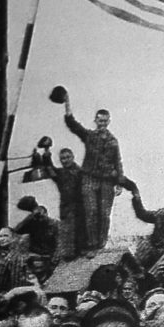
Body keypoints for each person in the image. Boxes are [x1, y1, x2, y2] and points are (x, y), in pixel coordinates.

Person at [62, 91, 125, 255]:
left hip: (107, 181)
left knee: (104, 214)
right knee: (90, 212)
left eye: (105, 121)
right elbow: (74, 126)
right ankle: (91, 245)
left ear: (109, 121)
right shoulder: (89, 136)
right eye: (99, 120)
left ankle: (101, 245)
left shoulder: (113, 141)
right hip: (89, 178)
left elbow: (117, 161)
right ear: (95, 121)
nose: (102, 123)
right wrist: (67, 105)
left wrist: (120, 182)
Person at [46, 146, 85, 260]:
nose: (66, 160)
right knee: (66, 232)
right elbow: (50, 169)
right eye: (63, 158)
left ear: (73, 157)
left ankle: (80, 254)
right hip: (66, 208)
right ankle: (69, 256)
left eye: (68, 157)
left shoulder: (81, 172)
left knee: (80, 232)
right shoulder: (60, 173)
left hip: (80, 207)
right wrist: (46, 155)